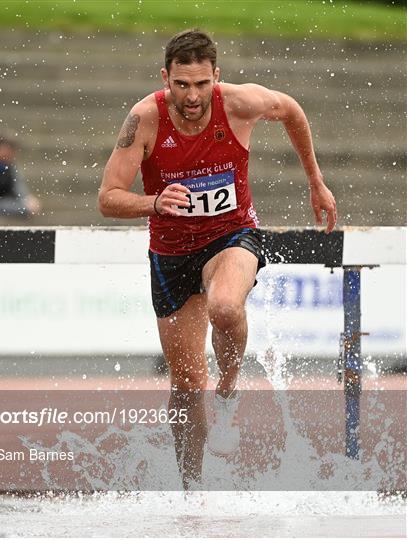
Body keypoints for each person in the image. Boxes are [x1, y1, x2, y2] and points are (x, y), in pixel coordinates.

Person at [98, 29, 337, 489]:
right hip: (171, 253)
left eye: (202, 84)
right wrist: (154, 201)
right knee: (186, 383)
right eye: (182, 85)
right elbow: (108, 198)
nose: (192, 96)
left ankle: (228, 387)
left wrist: (315, 181)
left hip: (232, 235)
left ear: (216, 78)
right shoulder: (143, 119)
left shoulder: (240, 103)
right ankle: (194, 492)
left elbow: (291, 110)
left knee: (225, 306)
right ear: (165, 78)